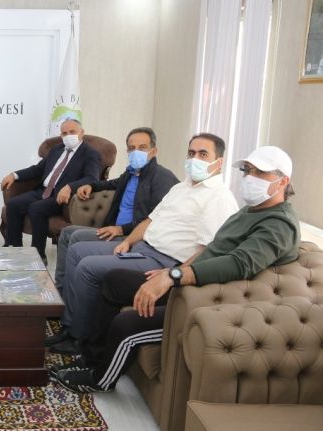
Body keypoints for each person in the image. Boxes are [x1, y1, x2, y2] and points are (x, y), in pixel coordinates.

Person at [53, 146, 300, 393]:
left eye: (260, 173)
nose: (250, 177)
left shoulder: (279, 224)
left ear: (283, 182)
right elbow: (212, 248)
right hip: (192, 282)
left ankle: (100, 379)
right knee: (113, 280)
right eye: (248, 170)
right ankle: (90, 358)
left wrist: (173, 276)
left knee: (126, 324)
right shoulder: (250, 211)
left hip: (210, 300)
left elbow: (240, 263)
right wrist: (175, 270)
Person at [47, 133, 239, 354]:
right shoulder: (181, 188)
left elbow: (209, 250)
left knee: (88, 266)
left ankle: (78, 338)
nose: (195, 159)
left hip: (164, 260)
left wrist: (174, 273)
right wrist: (128, 241)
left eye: (203, 154)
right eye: (191, 153)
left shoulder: (219, 198)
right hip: (143, 247)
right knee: (76, 251)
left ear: (219, 162)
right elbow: (150, 220)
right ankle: (69, 324)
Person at [54, 127, 179, 292]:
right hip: (115, 229)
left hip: (133, 236)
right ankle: (60, 289)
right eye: (132, 148)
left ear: (153, 151)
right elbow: (112, 184)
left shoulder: (162, 177)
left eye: (142, 148)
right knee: (67, 233)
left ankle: (69, 293)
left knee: (76, 237)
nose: (136, 152)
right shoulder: (131, 172)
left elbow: (155, 220)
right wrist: (91, 185)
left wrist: (121, 229)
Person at [0, 119, 102, 262]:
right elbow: (37, 169)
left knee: (36, 208)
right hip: (43, 191)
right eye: (64, 133)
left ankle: (38, 255)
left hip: (63, 198)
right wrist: (14, 175)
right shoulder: (56, 149)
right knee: (13, 204)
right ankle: (15, 249)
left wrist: (70, 187)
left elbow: (92, 178)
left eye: (72, 132)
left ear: (82, 133)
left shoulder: (90, 154)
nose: (68, 136)